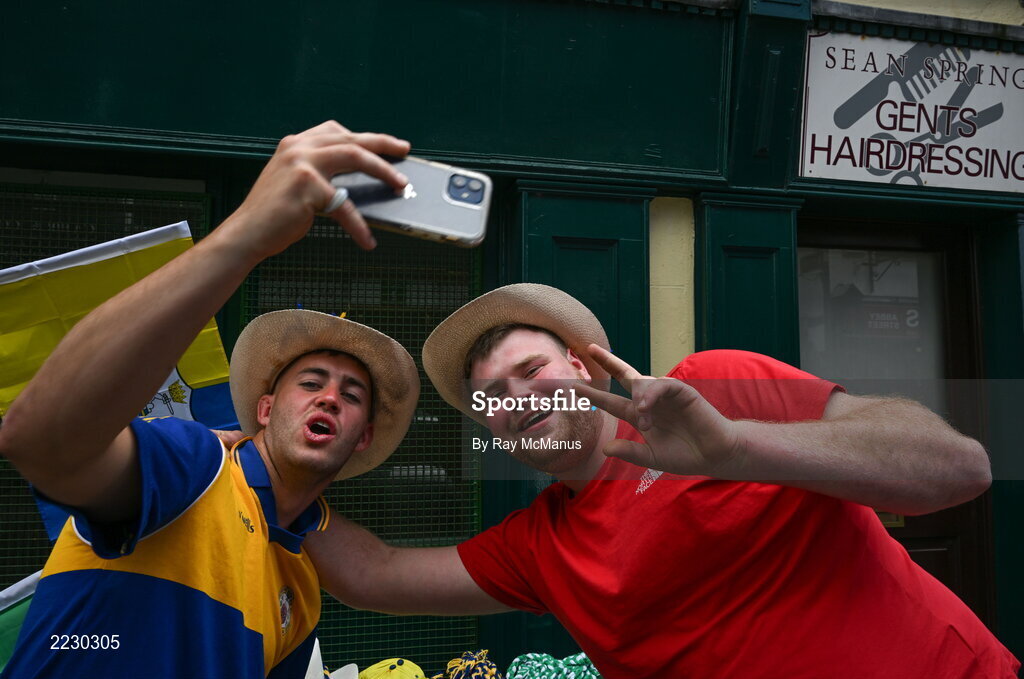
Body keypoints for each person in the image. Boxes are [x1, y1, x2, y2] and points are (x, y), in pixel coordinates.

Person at [305, 283, 1020, 678]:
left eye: (532, 372)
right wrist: (264, 473)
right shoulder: (538, 547)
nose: (516, 398)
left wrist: (737, 448)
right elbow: (378, 573)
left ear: (583, 369)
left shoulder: (714, 384)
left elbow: (960, 468)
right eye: (492, 396)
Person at [0, 121, 420, 678]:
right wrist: (245, 233)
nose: (330, 400)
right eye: (311, 383)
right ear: (265, 410)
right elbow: (40, 439)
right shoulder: (195, 464)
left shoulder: (305, 587)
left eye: (351, 395)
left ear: (362, 436)